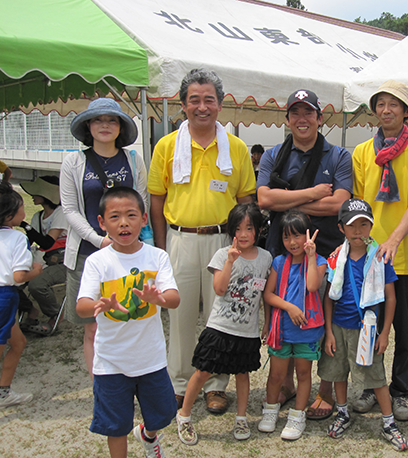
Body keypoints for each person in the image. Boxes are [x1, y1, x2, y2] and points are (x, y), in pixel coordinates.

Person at [148, 68, 255, 413]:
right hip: (180, 240)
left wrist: (241, 247)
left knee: (219, 316)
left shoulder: (236, 148)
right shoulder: (166, 146)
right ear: (183, 104)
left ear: (220, 105)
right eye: (194, 100)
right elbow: (157, 201)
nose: (202, 106)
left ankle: (215, 384)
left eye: (209, 99)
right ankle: (179, 383)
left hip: (224, 243)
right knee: (177, 315)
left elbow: (245, 199)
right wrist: (163, 249)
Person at [256, 89, 352, 418]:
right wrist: (311, 195)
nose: (302, 119)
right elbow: (264, 201)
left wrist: (286, 197)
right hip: (281, 252)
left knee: (325, 317)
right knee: (280, 314)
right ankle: (282, 380)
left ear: (319, 118)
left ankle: (324, 387)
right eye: (295, 113)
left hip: (324, 250)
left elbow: (339, 203)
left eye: (308, 112)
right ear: (287, 120)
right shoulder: (273, 155)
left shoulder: (338, 155)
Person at [351, 80, 408, 421]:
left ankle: (401, 390)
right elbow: (360, 204)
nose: (386, 110)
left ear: (406, 112)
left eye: (393, 104)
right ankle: (372, 386)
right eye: (381, 104)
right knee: (370, 322)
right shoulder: (361, 152)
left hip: (405, 252)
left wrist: (395, 240)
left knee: (404, 325)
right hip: (371, 253)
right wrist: (365, 244)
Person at [76, 187, 180, 458]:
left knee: (163, 415)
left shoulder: (157, 257)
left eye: (131, 215)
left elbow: (173, 298)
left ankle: (148, 435)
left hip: (151, 359)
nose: (124, 222)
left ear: (144, 219)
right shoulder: (98, 261)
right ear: (102, 223)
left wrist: (157, 298)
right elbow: (81, 305)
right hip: (111, 362)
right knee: (115, 426)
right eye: (115, 217)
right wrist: (98, 304)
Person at [60, 97, 147, 378]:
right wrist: (100, 240)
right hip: (88, 253)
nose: (105, 125)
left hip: (128, 253)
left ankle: (128, 378)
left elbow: (141, 202)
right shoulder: (74, 162)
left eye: (112, 120)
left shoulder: (134, 159)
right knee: (93, 325)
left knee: (129, 318)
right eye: (98, 120)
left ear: (121, 127)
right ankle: (101, 383)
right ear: (88, 126)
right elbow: (70, 210)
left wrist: (130, 241)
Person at [176, 203, 272, 445]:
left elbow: (265, 297)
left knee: (242, 373)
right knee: (202, 371)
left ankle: (241, 418)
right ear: (231, 231)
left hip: (247, 331)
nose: (243, 234)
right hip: (219, 328)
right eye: (238, 229)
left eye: (249, 228)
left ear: (258, 230)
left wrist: (267, 323)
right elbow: (219, 289)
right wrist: (230, 261)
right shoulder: (222, 254)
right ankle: (184, 416)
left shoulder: (266, 258)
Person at [318, 199, 408, 451]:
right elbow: (329, 297)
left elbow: (391, 298)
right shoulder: (335, 258)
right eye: (352, 225)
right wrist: (328, 332)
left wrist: (385, 332)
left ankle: (389, 422)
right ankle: (343, 412)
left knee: (375, 376)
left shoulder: (380, 258)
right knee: (338, 372)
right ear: (341, 228)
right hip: (337, 326)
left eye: (364, 224)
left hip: (366, 328)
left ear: (371, 225)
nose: (358, 231)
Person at [259, 210, 327, 440]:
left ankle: (297, 416)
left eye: (297, 236)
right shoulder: (279, 262)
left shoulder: (319, 261)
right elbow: (268, 295)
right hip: (282, 329)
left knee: (304, 373)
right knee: (276, 375)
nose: (292, 242)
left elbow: (311, 286)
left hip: (307, 331)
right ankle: (270, 411)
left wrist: (310, 257)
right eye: (286, 237)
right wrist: (289, 307)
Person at [0, 182, 42, 408]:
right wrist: (36, 270)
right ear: (9, 215)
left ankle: (4, 391)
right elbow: (18, 277)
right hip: (4, 297)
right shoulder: (17, 239)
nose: (24, 212)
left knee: (18, 343)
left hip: (5, 297)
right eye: (20, 208)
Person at [18, 176, 68, 335]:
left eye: (36, 192)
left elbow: (47, 242)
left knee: (36, 285)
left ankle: (55, 315)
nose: (32, 196)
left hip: (62, 261)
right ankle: (30, 310)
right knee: (11, 282)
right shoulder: (37, 217)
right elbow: (30, 241)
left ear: (47, 194)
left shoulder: (62, 213)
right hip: (43, 261)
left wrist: (23, 224)